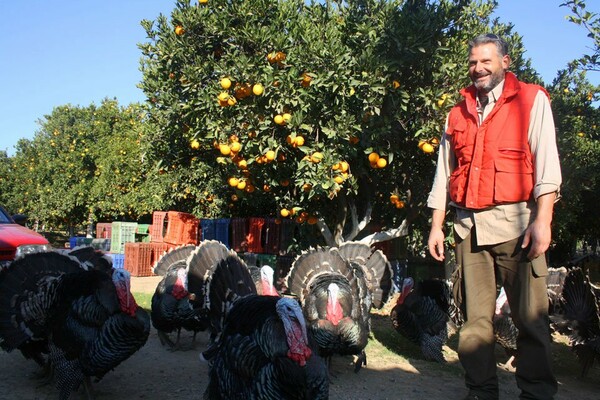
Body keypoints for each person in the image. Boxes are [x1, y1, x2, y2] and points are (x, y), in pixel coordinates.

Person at [426, 34, 561, 400]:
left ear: (505, 61)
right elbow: (444, 173)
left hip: (518, 227)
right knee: (474, 325)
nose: (478, 68)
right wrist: (436, 225)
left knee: (530, 322)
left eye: (486, 61)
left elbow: (547, 167)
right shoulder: (458, 113)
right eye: (472, 62)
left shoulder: (532, 101)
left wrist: (543, 220)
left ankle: (536, 393)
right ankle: (480, 391)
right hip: (468, 229)